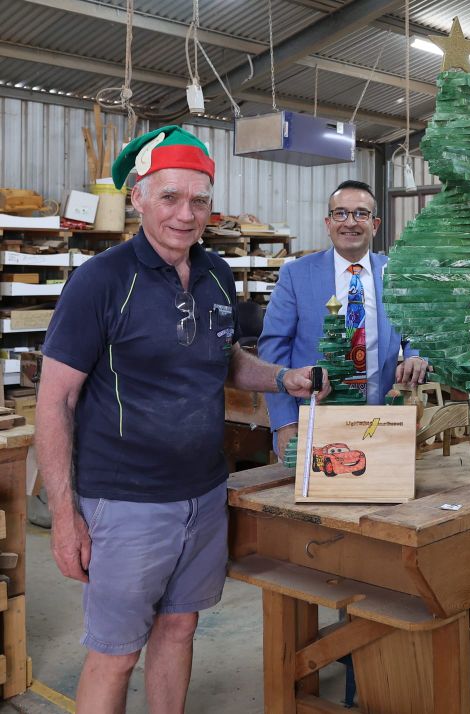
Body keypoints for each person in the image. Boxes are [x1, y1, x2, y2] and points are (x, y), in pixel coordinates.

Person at [35, 125, 330, 713]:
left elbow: (222, 358)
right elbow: (55, 400)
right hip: (125, 503)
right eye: (169, 197)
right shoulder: (101, 280)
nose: (185, 214)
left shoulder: (218, 272)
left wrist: (282, 378)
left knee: (179, 629)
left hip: (202, 493)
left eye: (199, 200)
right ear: (138, 197)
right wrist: (66, 517)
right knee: (116, 653)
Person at [258, 179, 427, 458]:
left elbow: (416, 332)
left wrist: (416, 355)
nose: (350, 222)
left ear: (375, 224)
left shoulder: (397, 275)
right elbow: (273, 351)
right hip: (313, 421)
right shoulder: (296, 276)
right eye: (341, 213)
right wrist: (285, 422)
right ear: (328, 223)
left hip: (380, 422)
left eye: (361, 213)